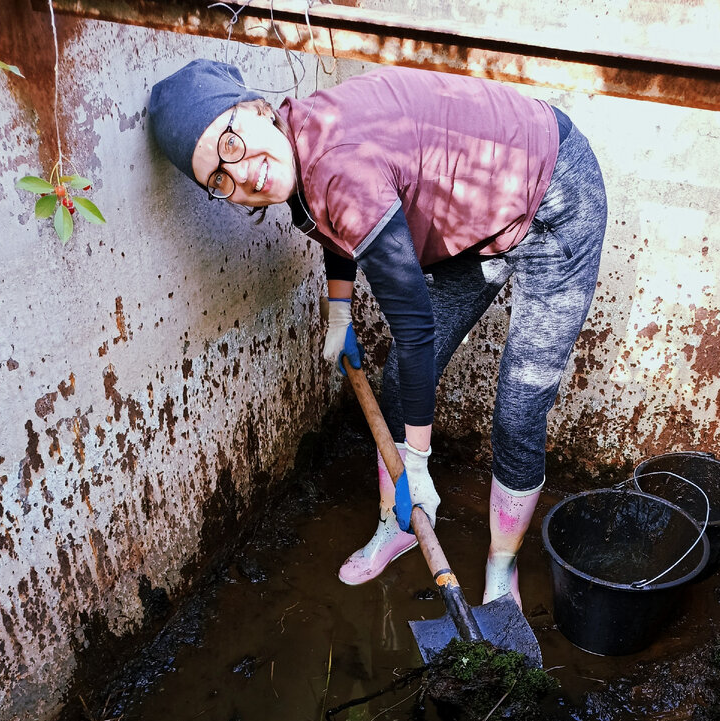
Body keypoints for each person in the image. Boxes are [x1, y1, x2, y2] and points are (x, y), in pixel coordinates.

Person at [149, 59, 606, 607]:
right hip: (480, 216)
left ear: (255, 111)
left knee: (518, 407)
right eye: (218, 181)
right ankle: (401, 525)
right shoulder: (293, 144)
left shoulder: (338, 164)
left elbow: (414, 330)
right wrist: (339, 310)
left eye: (229, 145)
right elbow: (324, 222)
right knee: (398, 385)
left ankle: (500, 566)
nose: (242, 175)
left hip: (553, 193)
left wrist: (417, 459)